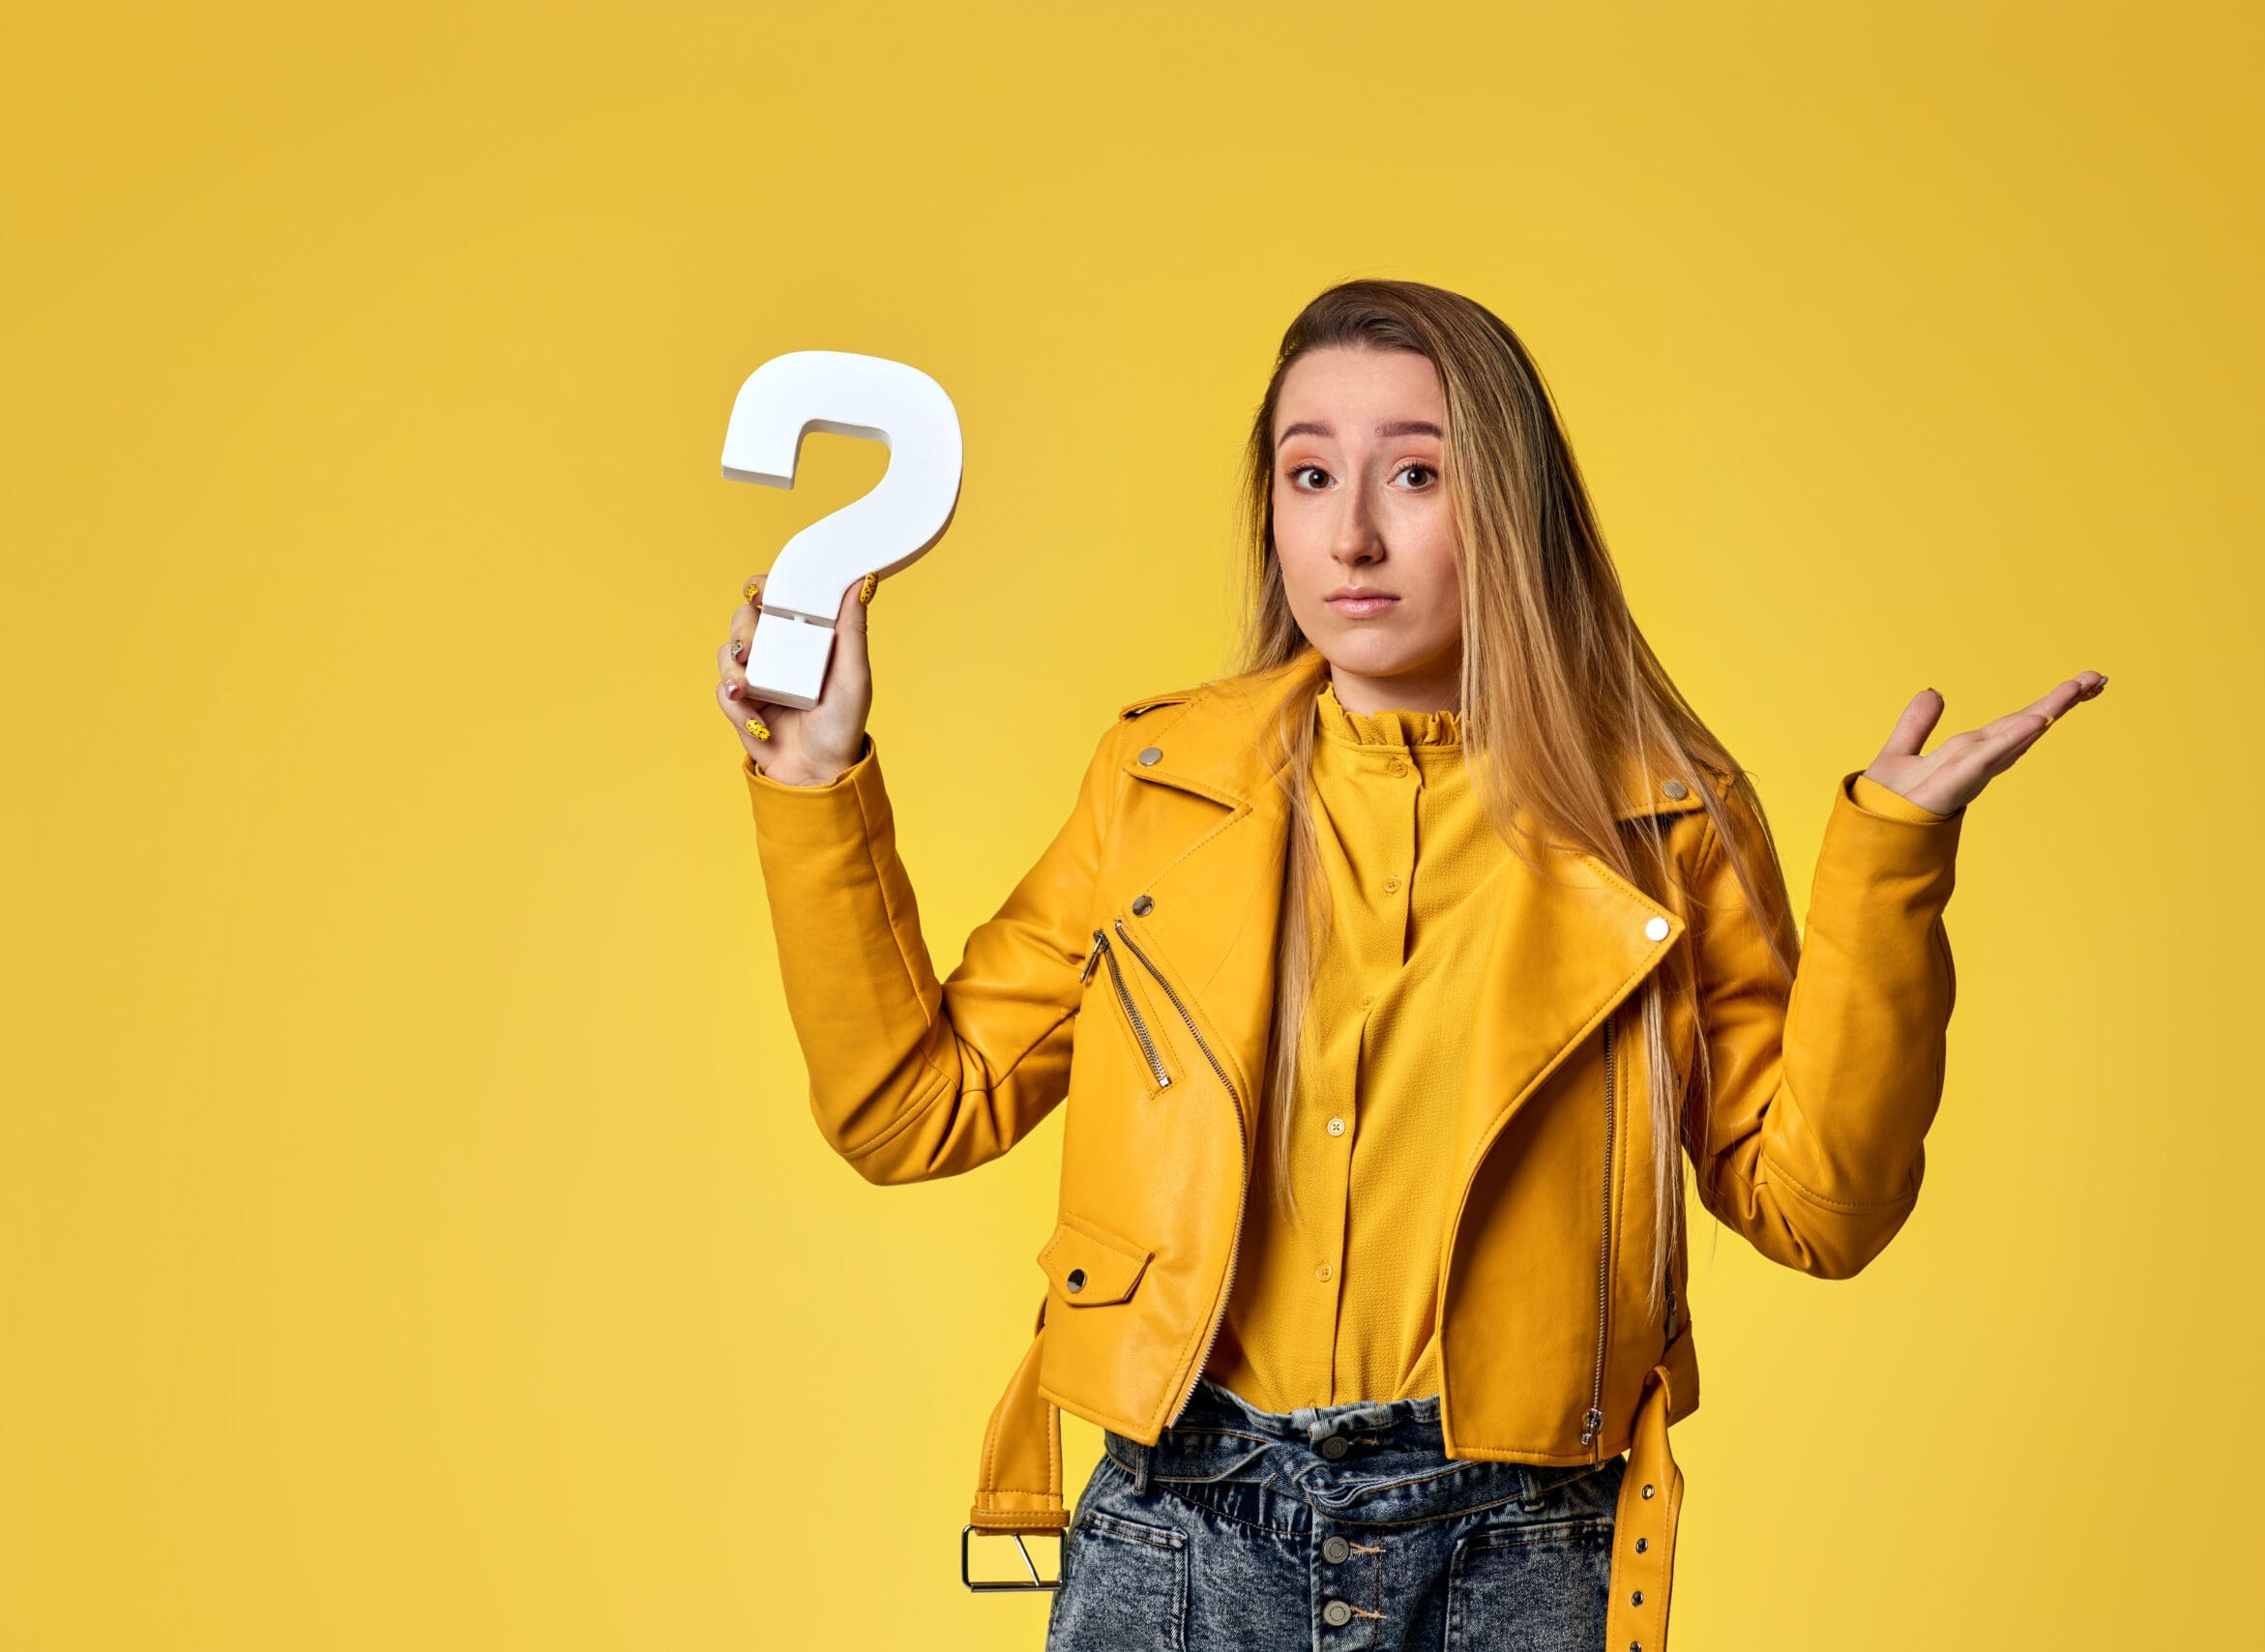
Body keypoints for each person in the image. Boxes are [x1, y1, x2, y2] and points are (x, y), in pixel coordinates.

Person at [713, 278, 2105, 1652]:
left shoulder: (1665, 818)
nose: (1354, 536)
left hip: (1519, 1554)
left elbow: (1821, 1210)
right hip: (1185, 1528)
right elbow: (911, 1111)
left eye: (1417, 475)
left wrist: (1894, 861)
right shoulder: (1156, 786)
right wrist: (817, 777)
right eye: (1309, 474)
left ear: (1507, 509)